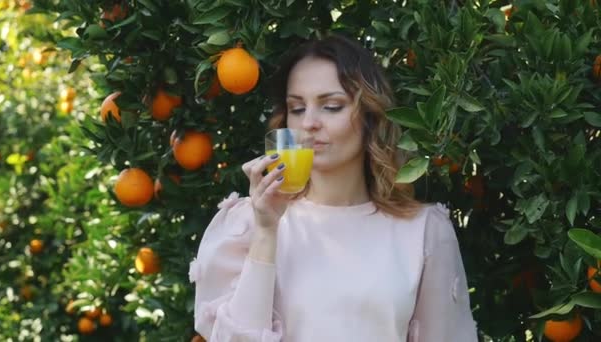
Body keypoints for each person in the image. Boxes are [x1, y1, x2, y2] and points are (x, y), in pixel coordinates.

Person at [189, 34, 478, 341]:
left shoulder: (423, 231)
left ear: (370, 116)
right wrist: (266, 232)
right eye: (297, 109)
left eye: (331, 106)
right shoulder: (249, 222)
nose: (309, 122)